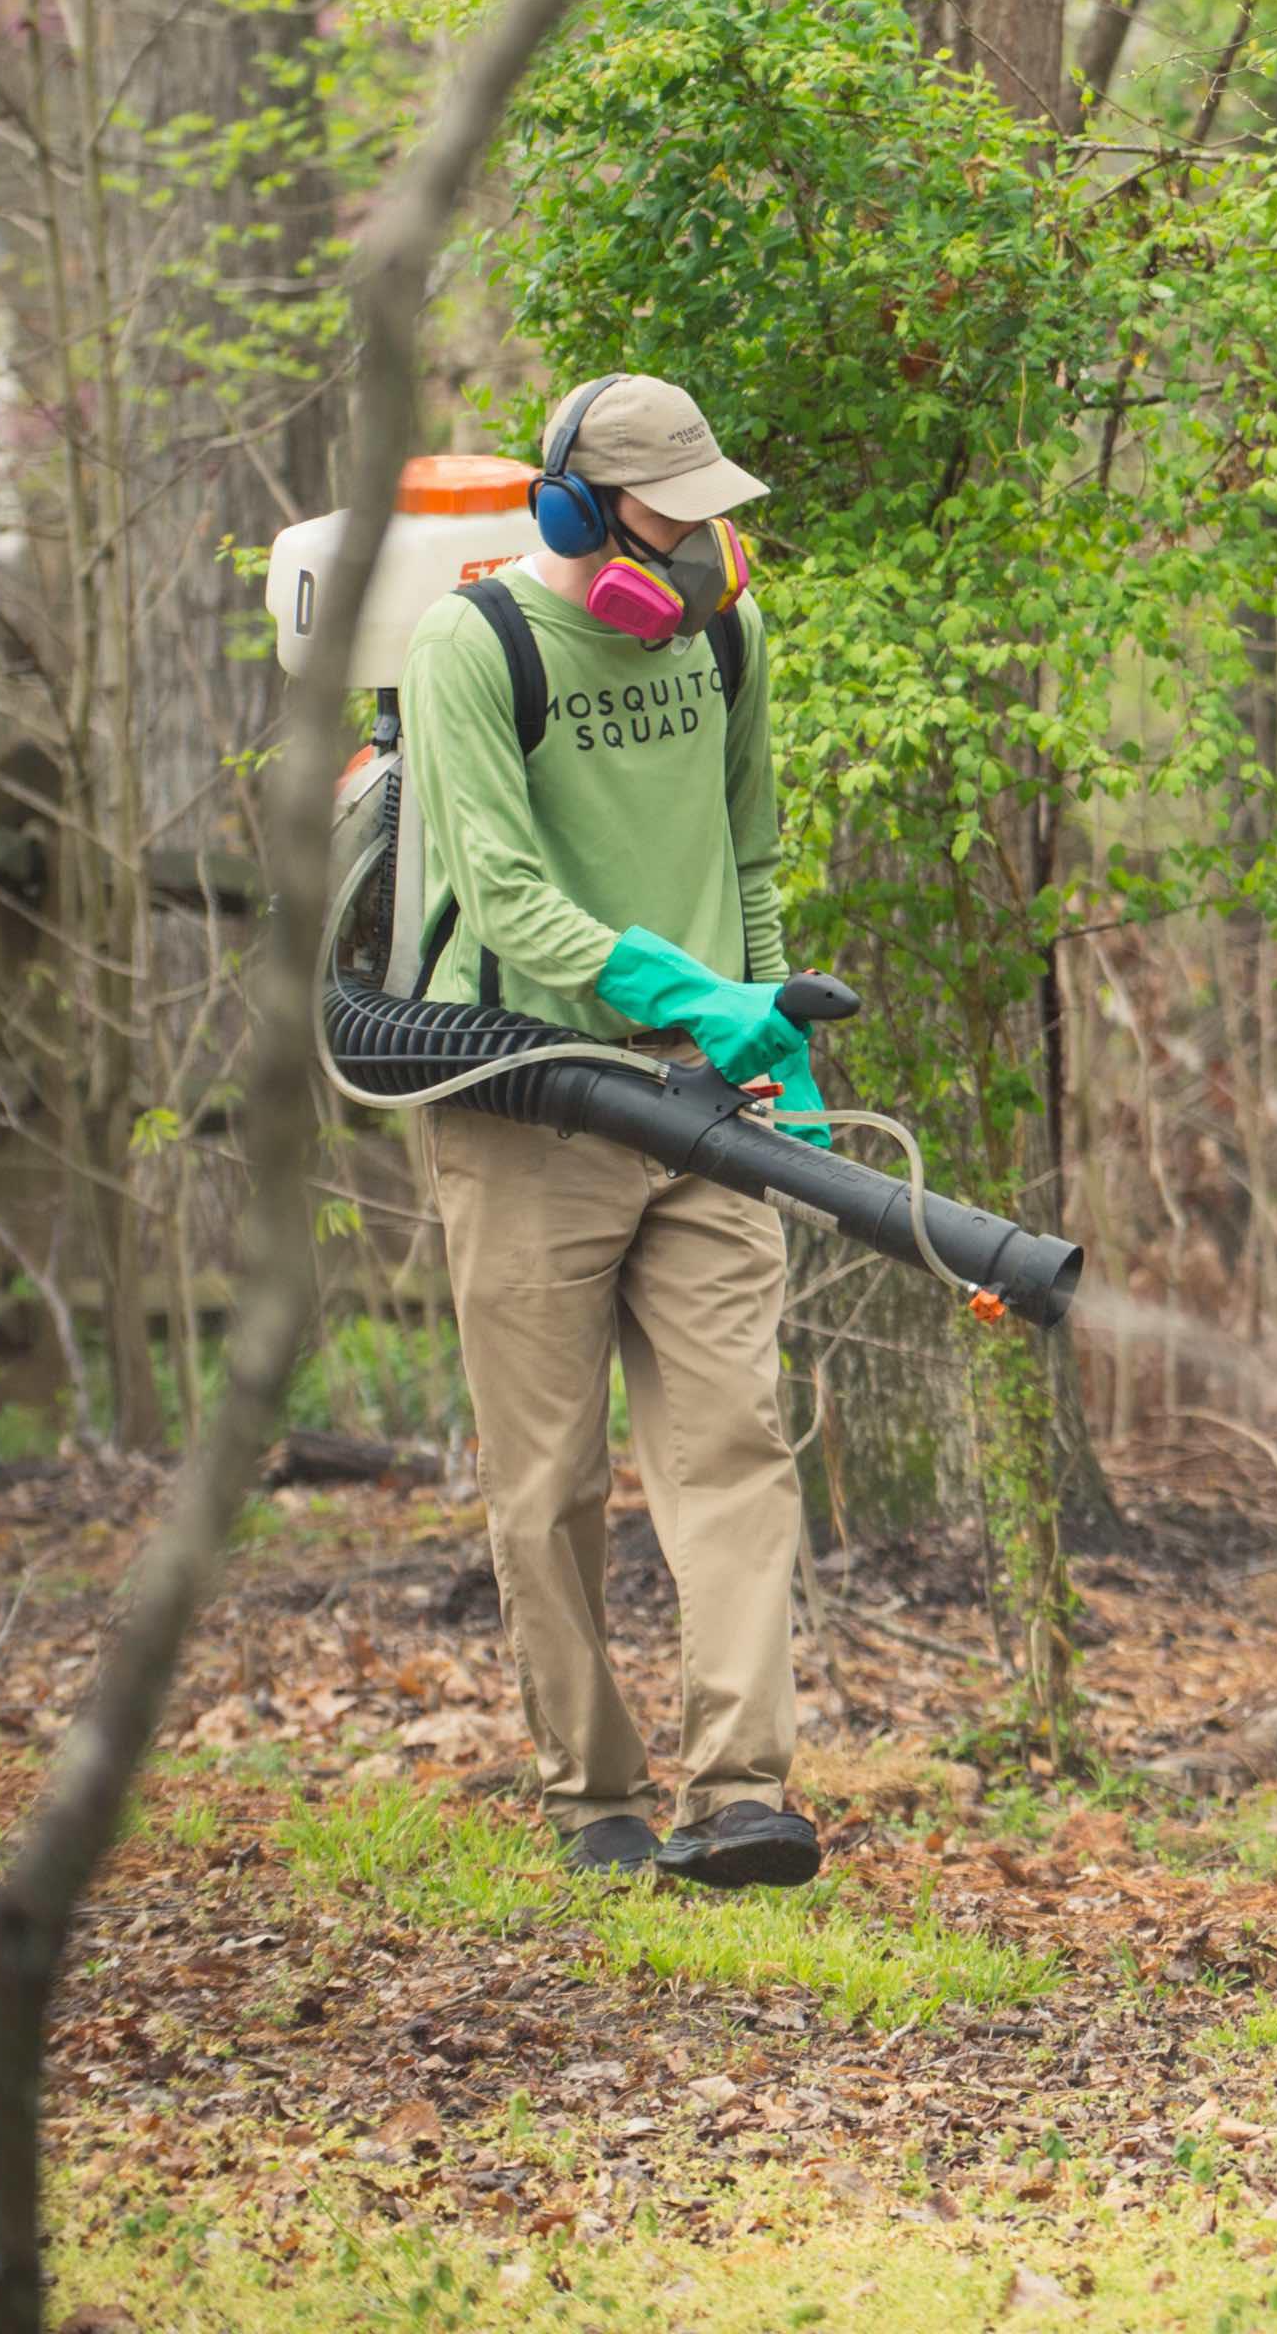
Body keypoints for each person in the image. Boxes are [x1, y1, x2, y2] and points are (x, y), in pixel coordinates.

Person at [400, 372, 827, 1887]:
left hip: (707, 1105)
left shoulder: (727, 630)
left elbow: (750, 853)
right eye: (674, 516)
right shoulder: (472, 646)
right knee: (551, 1476)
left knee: (734, 1446)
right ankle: (594, 1792)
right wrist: (687, 992)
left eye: (719, 513)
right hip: (529, 1100)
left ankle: (744, 1792)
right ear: (583, 508)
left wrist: (770, 1029)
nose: (708, 546)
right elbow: (508, 897)